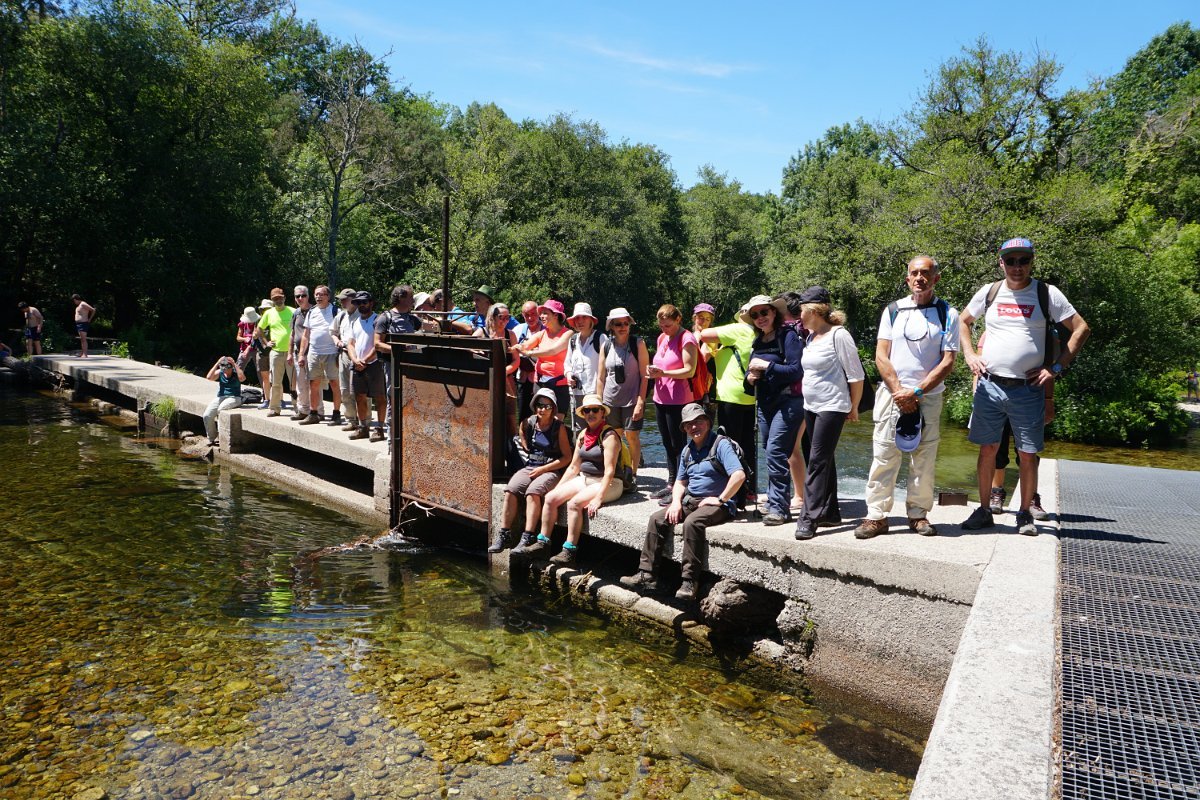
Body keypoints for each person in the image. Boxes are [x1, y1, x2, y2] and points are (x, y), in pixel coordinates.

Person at [959, 237, 1090, 535]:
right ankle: (983, 511)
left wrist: (1056, 368)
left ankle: (1024, 514)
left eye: (1023, 260)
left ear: (1032, 261)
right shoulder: (989, 292)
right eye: (1011, 260)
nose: (1017, 267)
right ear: (1001, 262)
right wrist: (970, 354)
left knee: (1028, 453)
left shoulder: (1047, 294)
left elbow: (1081, 328)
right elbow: (964, 321)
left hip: (1028, 388)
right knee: (988, 449)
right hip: (990, 386)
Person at [854, 256, 960, 539]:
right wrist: (899, 390)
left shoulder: (948, 313)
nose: (919, 278)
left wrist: (917, 391)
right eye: (914, 273)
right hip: (892, 395)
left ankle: (918, 515)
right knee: (884, 454)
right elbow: (881, 355)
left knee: (923, 458)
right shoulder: (893, 310)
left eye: (925, 273)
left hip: (928, 397)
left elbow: (948, 361)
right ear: (907, 278)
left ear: (936, 278)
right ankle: (876, 516)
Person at [620, 403, 746, 601]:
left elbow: (738, 475)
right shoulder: (688, 450)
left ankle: (689, 581)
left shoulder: (720, 444)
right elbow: (680, 482)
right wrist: (676, 502)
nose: (694, 427)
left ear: (707, 422)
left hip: (719, 504)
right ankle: (647, 575)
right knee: (656, 519)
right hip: (691, 500)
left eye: (698, 422)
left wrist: (721, 499)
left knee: (692, 523)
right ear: (685, 429)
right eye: (689, 425)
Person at [514, 394, 623, 566]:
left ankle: (569, 551)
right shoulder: (583, 434)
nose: (591, 413)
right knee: (550, 498)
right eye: (587, 410)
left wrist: (598, 498)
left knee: (574, 504)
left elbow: (610, 471)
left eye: (595, 410)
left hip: (608, 483)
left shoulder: (609, 436)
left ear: (603, 413)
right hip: (585, 478)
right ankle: (543, 543)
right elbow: (573, 467)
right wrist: (558, 488)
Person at [795, 286, 864, 541]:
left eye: (800, 308)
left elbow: (856, 376)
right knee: (824, 459)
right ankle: (830, 512)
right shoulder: (811, 336)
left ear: (813, 310)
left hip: (832, 406)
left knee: (817, 461)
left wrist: (854, 407)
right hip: (811, 406)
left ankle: (808, 518)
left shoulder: (839, 335)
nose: (797, 313)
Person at [740, 294, 804, 526]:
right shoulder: (758, 342)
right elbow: (750, 376)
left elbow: (797, 370)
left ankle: (779, 508)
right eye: (755, 315)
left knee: (776, 451)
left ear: (774, 312)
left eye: (764, 312)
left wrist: (767, 366)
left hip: (789, 403)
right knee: (769, 451)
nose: (760, 318)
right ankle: (777, 499)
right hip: (765, 405)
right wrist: (750, 377)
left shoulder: (788, 337)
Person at [491, 388, 574, 553]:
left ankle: (527, 536)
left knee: (533, 492)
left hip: (552, 470)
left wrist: (544, 468)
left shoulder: (559, 428)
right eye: (540, 405)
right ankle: (504, 534)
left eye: (547, 406)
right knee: (511, 489)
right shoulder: (530, 422)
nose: (543, 409)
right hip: (530, 466)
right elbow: (521, 430)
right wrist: (525, 444)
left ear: (553, 409)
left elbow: (567, 457)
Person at [695, 308, 759, 512]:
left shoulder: (738, 329)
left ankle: (735, 495)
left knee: (729, 446)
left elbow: (703, 334)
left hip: (730, 397)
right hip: (749, 397)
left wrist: (698, 334)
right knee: (747, 444)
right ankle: (748, 490)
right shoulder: (755, 334)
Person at [649, 304, 698, 504]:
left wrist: (664, 373)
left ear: (678, 320)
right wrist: (653, 371)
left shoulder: (687, 339)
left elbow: (689, 370)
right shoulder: (662, 338)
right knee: (667, 444)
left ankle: (681, 486)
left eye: (668, 325)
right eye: (661, 326)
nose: (664, 329)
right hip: (660, 397)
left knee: (679, 445)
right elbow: (662, 363)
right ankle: (671, 483)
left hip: (679, 399)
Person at [596, 307, 650, 480]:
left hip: (632, 399)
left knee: (632, 436)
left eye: (626, 323)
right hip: (610, 400)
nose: (622, 326)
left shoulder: (638, 344)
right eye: (618, 324)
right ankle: (619, 469)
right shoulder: (606, 345)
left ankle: (633, 473)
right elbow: (601, 377)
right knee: (614, 437)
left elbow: (645, 376)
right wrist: (599, 403)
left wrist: (641, 402)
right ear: (611, 325)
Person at [511, 299, 572, 420]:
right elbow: (525, 345)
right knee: (539, 420)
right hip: (540, 382)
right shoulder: (542, 333)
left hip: (559, 384)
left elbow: (553, 350)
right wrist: (514, 347)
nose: (541, 316)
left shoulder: (568, 333)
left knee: (556, 422)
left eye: (545, 313)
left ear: (555, 315)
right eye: (541, 313)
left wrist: (530, 353)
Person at [297, 285, 343, 425]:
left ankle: (336, 414)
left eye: (321, 294)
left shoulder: (336, 311)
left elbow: (343, 331)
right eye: (316, 294)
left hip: (332, 353)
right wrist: (301, 354)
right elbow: (306, 335)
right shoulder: (311, 312)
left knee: (335, 383)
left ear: (328, 296)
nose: (318, 297)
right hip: (314, 353)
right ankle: (314, 413)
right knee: (313, 384)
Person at [347, 292, 386, 442]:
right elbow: (350, 343)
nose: (361, 305)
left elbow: (379, 343)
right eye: (358, 303)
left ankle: (380, 428)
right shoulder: (355, 321)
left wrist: (364, 360)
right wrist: (355, 360)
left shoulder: (378, 320)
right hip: (357, 364)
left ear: (371, 302)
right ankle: (363, 428)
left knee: (380, 397)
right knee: (359, 396)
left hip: (375, 364)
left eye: (364, 302)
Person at [564, 302, 607, 422]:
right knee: (578, 429)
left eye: (584, 317)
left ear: (591, 320)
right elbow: (567, 364)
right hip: (576, 393)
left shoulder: (601, 338)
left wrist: (600, 397)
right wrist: (568, 375)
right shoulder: (573, 340)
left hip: (594, 393)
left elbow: (608, 367)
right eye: (577, 318)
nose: (580, 321)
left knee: (596, 426)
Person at [255, 289, 293, 417]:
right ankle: (275, 408)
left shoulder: (293, 311)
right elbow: (259, 329)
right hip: (276, 352)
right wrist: (266, 343)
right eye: (275, 298)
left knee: (294, 382)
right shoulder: (269, 313)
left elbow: (301, 329)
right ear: (272, 300)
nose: (278, 300)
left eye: (280, 297)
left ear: (284, 298)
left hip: (291, 352)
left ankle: (299, 408)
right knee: (276, 382)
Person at [331, 288, 360, 430]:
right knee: (345, 389)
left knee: (360, 390)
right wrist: (336, 341)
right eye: (341, 299)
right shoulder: (341, 316)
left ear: (353, 300)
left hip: (359, 355)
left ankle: (363, 421)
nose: (342, 302)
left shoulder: (362, 314)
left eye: (344, 299)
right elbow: (333, 332)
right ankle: (351, 420)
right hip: (343, 354)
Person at [288, 285, 317, 421]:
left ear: (308, 296)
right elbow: (292, 335)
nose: (300, 298)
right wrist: (289, 353)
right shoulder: (296, 313)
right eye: (297, 296)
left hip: (314, 352)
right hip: (298, 353)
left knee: (315, 383)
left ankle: (317, 411)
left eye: (303, 295)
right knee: (300, 383)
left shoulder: (316, 310)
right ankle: (303, 410)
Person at [202, 356, 245, 446]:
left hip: (234, 397)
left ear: (231, 367)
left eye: (227, 368)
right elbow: (209, 377)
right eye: (223, 368)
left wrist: (234, 364)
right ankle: (212, 438)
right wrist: (217, 363)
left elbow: (242, 378)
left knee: (220, 409)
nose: (225, 370)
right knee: (207, 415)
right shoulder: (221, 372)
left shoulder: (236, 372)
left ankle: (222, 437)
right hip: (221, 397)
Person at [512, 300, 544, 422]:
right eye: (526, 315)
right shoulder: (518, 330)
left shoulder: (546, 331)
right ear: (522, 315)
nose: (530, 318)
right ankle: (522, 438)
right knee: (522, 414)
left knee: (540, 413)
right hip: (522, 379)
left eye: (533, 314)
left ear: (539, 313)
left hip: (541, 380)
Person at [692, 303, 717, 403]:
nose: (704, 322)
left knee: (706, 418)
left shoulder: (713, 338)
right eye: (701, 317)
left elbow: (701, 359)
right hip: (690, 388)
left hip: (707, 389)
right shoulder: (687, 336)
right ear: (694, 318)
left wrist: (697, 338)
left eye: (707, 319)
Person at [252, 299, 273, 406]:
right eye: (263, 309)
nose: (265, 311)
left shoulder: (275, 319)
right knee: (265, 377)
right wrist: (255, 335)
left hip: (274, 351)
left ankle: (280, 399)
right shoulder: (258, 320)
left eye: (267, 309)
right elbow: (254, 334)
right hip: (261, 351)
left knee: (275, 377)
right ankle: (267, 400)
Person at [235, 306, 259, 375]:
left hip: (256, 349)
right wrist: (244, 339)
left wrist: (248, 348)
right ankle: (234, 384)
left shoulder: (258, 323)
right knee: (238, 368)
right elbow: (238, 338)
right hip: (244, 349)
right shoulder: (243, 324)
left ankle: (265, 385)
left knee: (261, 371)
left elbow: (255, 337)